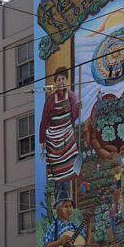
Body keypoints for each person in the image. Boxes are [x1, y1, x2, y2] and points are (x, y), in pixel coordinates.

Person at [39, 67, 81, 201]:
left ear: (66, 80)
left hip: (67, 136)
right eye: (58, 80)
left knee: (68, 167)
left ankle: (67, 196)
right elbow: (44, 120)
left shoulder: (72, 96)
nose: (61, 82)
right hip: (53, 139)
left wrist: (77, 109)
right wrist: (42, 141)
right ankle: (59, 197)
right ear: (55, 82)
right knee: (57, 171)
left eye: (63, 79)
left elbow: (73, 117)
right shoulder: (50, 100)